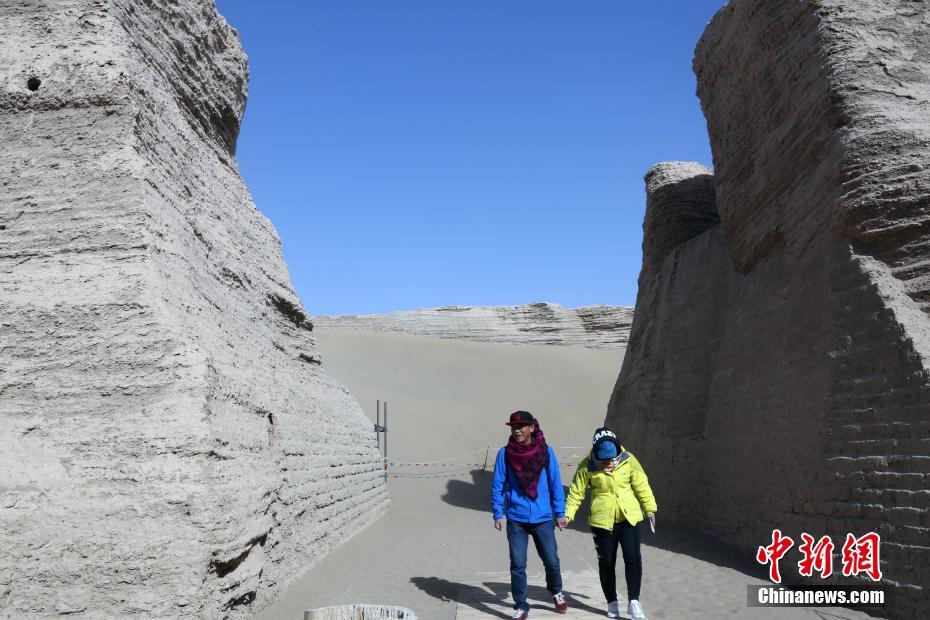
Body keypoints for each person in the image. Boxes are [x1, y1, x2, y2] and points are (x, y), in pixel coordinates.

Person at [564, 427, 657, 620]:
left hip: (629, 518)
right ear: (596, 453)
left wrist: (650, 509)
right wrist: (568, 515)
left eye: (612, 460)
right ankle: (612, 602)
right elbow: (575, 493)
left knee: (633, 557)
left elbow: (641, 484)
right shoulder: (587, 466)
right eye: (603, 461)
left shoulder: (629, 459)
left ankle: (634, 602)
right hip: (602, 522)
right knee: (606, 563)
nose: (608, 464)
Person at [491, 410, 570, 619]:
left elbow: (555, 482)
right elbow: (498, 484)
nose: (516, 431)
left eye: (521, 427)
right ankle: (521, 605)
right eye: (513, 427)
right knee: (517, 564)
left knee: (551, 560)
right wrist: (497, 513)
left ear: (531, 428)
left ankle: (556, 591)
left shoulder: (546, 452)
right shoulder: (504, 453)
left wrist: (560, 513)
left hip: (543, 517)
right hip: (516, 518)